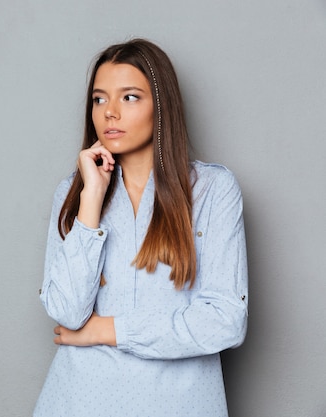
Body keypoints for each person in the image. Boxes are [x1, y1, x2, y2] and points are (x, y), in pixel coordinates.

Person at [34, 39, 248, 417]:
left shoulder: (213, 190)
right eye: (99, 100)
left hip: (180, 404)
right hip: (78, 400)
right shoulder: (74, 193)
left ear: (161, 107)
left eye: (129, 97)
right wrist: (91, 199)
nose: (110, 113)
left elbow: (225, 322)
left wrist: (106, 331)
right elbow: (67, 312)